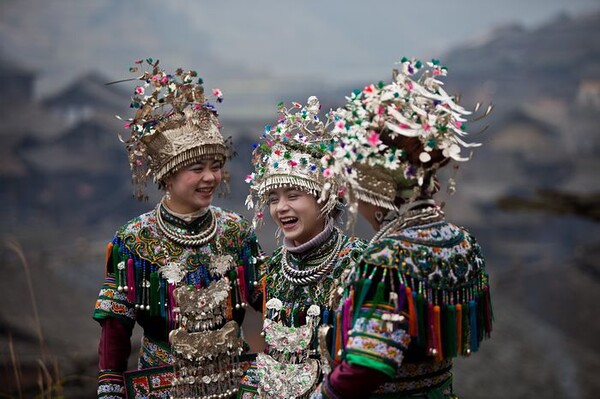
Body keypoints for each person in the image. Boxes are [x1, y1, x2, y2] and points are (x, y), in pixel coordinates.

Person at [315, 58, 494, 398]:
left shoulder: (387, 262)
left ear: (377, 188)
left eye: (350, 186)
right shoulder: (462, 243)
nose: (346, 196)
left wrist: (323, 394)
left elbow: (369, 364)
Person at [93, 60, 263, 399]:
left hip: (236, 384)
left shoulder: (236, 233)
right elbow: (117, 325)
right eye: (197, 168)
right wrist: (110, 384)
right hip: (162, 386)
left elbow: (269, 301)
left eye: (216, 166)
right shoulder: (133, 240)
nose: (210, 177)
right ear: (167, 175)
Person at [238, 97, 367, 398]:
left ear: (325, 197)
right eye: (272, 199)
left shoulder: (358, 263)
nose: (281, 208)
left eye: (293, 195)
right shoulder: (270, 269)